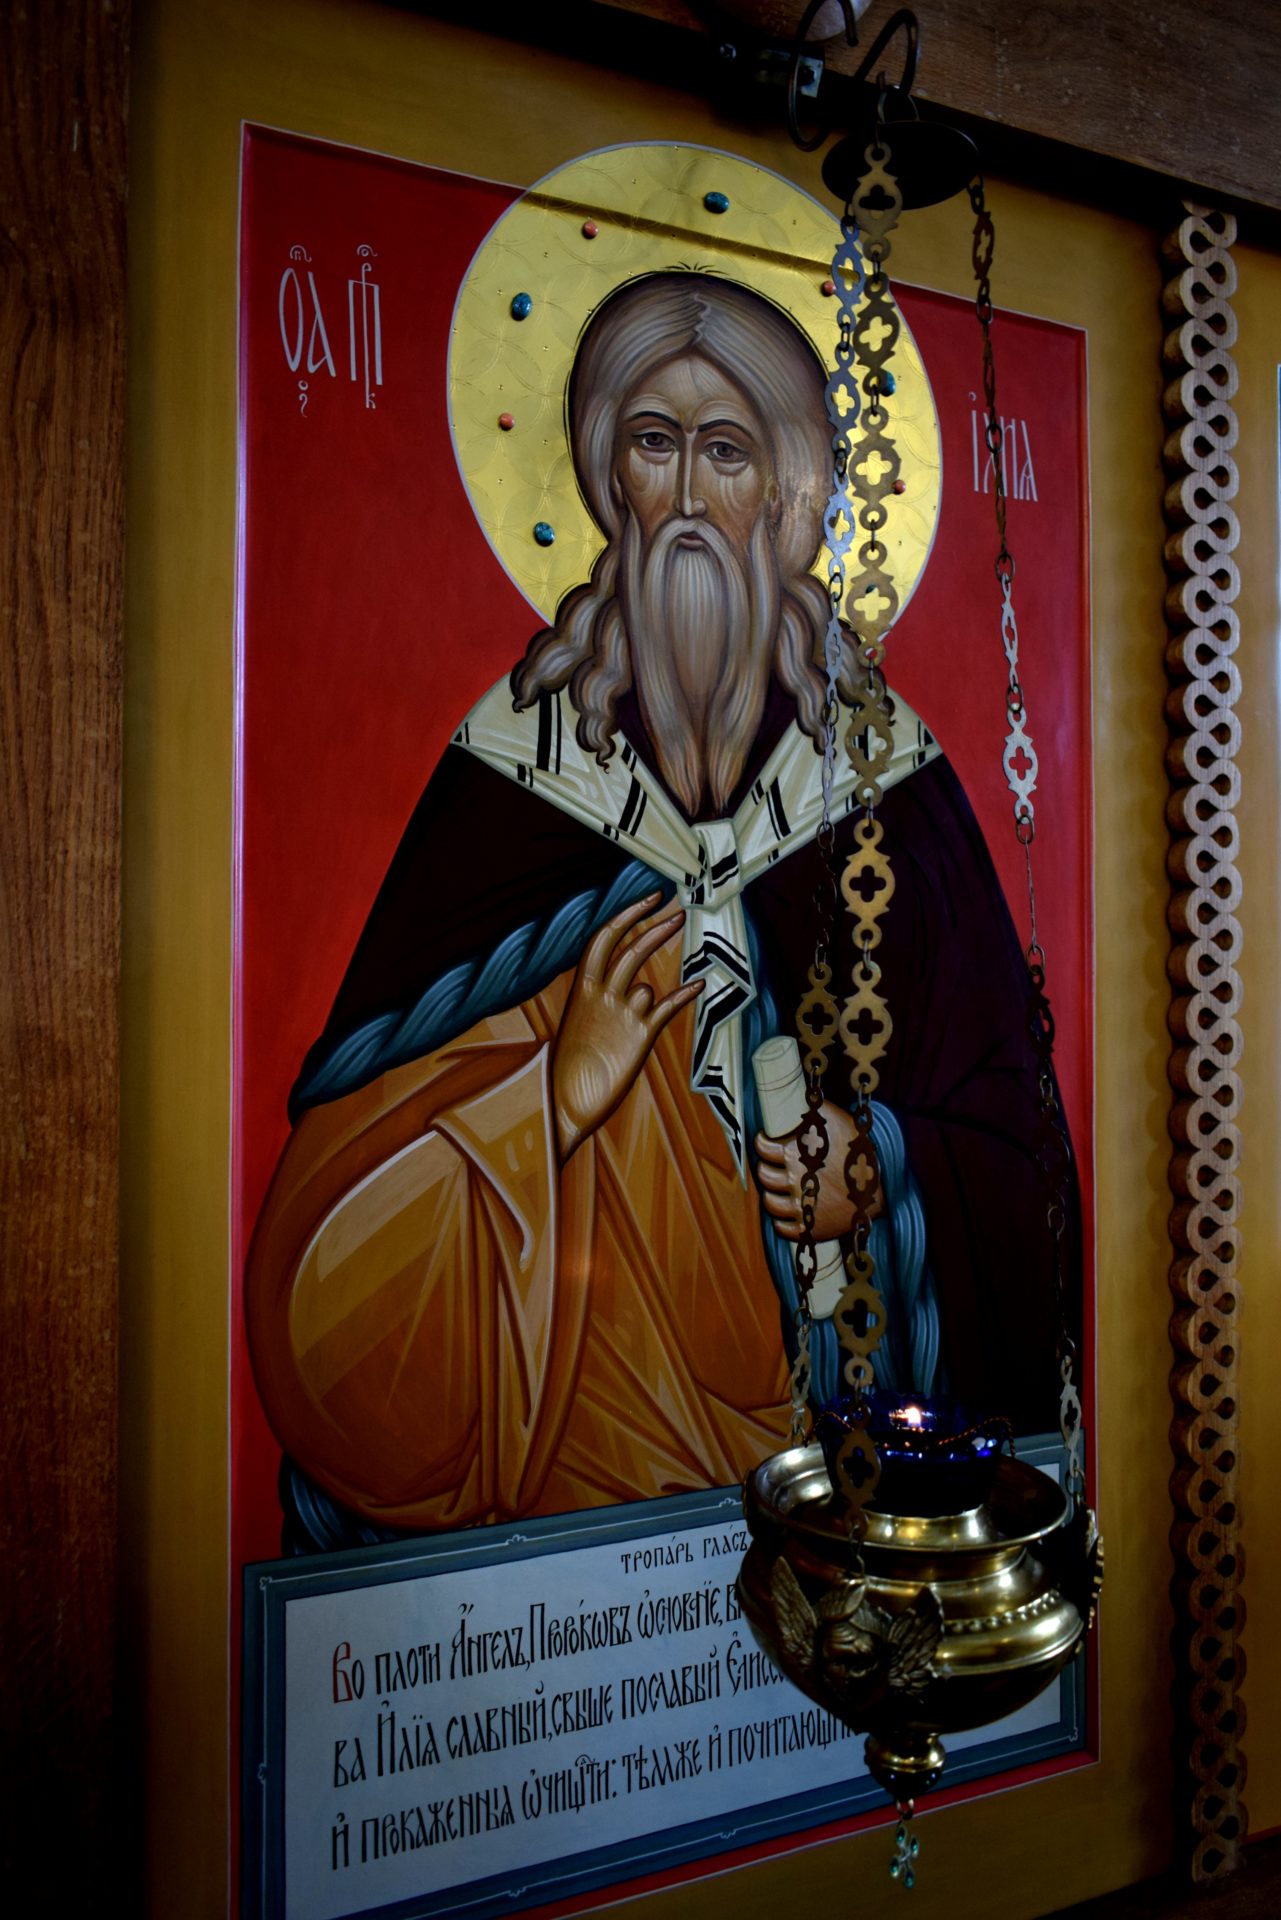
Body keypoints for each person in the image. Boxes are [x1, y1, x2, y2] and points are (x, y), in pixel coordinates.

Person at [246, 271, 1078, 1546]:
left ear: (786, 496)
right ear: (606, 481)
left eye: (726, 452)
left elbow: (1022, 1164)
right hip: (575, 1527)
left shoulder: (883, 781)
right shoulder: (519, 771)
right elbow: (325, 1258)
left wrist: (876, 1167)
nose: (688, 496)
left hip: (834, 1478)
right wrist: (549, 1101)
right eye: (654, 443)